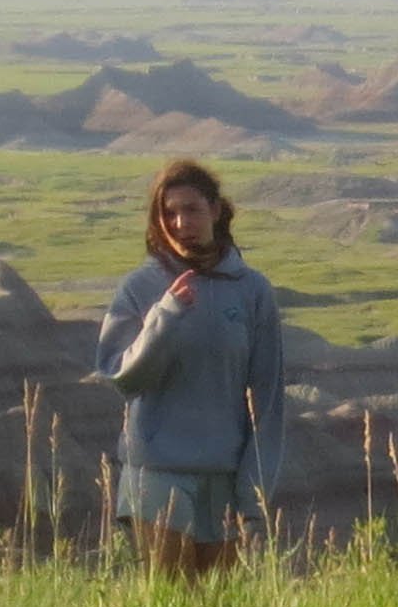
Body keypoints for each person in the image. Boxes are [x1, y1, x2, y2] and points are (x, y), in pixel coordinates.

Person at [99, 157, 286, 577]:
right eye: (169, 213)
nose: (181, 222)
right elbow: (121, 376)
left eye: (192, 210)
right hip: (158, 473)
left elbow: (268, 399)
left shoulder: (252, 291)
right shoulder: (141, 287)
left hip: (225, 476)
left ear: (216, 212)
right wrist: (164, 318)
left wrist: (254, 493)